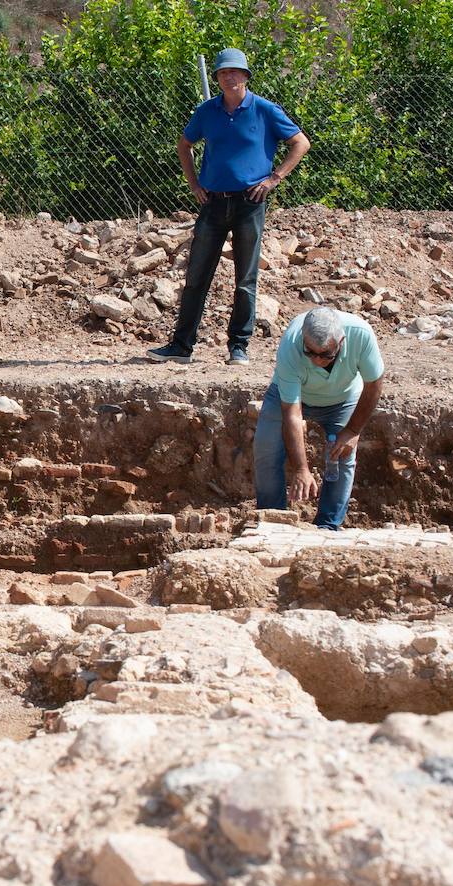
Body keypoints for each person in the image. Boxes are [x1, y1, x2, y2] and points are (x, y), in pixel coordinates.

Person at [148, 48, 311, 366]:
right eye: (223, 73)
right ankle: (182, 347)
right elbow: (184, 145)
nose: (229, 77)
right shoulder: (207, 111)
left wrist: (274, 178)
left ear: (245, 76)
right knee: (196, 274)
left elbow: (301, 143)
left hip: (250, 202)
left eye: (235, 72)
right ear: (218, 78)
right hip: (212, 202)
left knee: (245, 278)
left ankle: (239, 347)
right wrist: (194, 184)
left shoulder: (264, 110)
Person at [254, 307, 385, 530]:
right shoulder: (291, 343)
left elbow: (374, 383)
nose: (317, 360)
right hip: (292, 395)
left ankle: (328, 526)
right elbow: (292, 414)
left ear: (341, 341)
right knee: (266, 448)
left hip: (342, 396)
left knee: (343, 454)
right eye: (310, 352)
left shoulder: (361, 334)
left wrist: (353, 431)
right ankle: (273, 522)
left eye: (326, 355)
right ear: (304, 339)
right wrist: (301, 469)